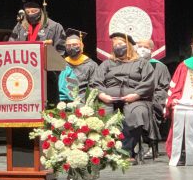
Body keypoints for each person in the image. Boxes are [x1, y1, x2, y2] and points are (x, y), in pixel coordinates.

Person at [93, 32, 156, 165]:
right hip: (108, 97)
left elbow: (149, 82)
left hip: (134, 98)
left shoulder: (142, 63)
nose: (118, 47)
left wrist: (136, 95)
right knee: (102, 112)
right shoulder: (106, 64)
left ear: (128, 46)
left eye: (121, 44)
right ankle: (106, 151)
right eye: (115, 45)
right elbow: (96, 82)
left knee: (137, 112)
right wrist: (102, 95)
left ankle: (127, 151)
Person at [9, 0, 66, 107]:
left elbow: (60, 53)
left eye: (34, 10)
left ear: (41, 10)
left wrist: (47, 68)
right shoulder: (19, 27)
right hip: (22, 76)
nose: (30, 13)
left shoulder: (54, 27)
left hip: (46, 78)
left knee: (47, 110)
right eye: (27, 10)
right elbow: (10, 47)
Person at [165, 34, 193, 166]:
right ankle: (177, 153)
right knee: (177, 111)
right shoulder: (184, 66)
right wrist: (174, 99)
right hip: (183, 102)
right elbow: (174, 87)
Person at [136, 38, 171, 159]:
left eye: (145, 47)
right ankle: (130, 147)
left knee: (148, 110)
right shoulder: (133, 65)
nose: (141, 49)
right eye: (139, 46)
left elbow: (163, 88)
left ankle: (152, 146)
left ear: (151, 49)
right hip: (136, 99)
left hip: (154, 99)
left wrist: (153, 99)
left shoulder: (159, 66)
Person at [58, 28, 98, 102]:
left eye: (75, 44)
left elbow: (93, 86)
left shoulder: (91, 65)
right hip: (64, 100)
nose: (71, 47)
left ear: (82, 45)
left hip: (83, 100)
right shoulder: (61, 64)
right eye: (68, 45)